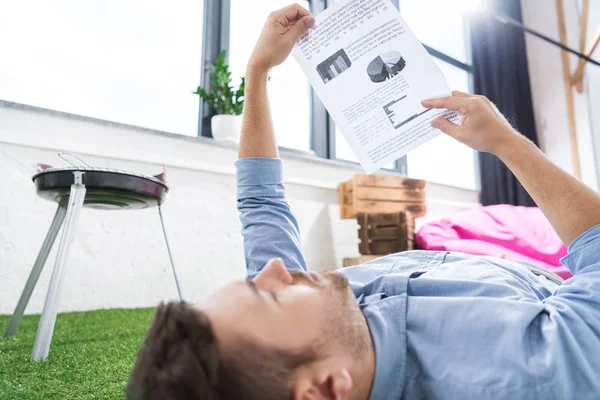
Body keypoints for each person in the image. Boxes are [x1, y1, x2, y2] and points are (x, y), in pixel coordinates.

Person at [127, 4, 600, 400]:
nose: (272, 271)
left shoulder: (315, 329)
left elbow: (260, 201)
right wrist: (505, 143)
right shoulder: (524, 373)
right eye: (268, 296)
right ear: (324, 389)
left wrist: (258, 71)